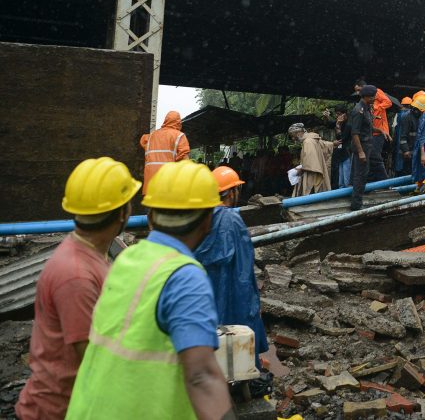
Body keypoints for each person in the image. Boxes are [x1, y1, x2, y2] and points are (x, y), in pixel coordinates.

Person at [66, 161, 233, 419]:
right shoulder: (185, 277)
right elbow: (201, 376)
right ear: (207, 221)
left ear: (151, 216)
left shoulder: (127, 259)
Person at [16, 158, 139, 420]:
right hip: (57, 411)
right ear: (121, 212)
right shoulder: (76, 275)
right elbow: (95, 359)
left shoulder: (91, 256)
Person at [193, 167, 271, 395]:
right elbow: (244, 266)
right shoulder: (233, 220)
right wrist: (254, 302)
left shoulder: (201, 218)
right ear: (231, 192)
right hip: (235, 290)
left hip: (209, 292)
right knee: (240, 332)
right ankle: (242, 382)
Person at [140, 110, 191, 194]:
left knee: (150, 206)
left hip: (150, 183)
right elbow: (185, 161)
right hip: (167, 183)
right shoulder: (179, 136)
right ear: (178, 122)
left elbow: (143, 141)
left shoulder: (151, 136)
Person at [354, 79, 392, 182]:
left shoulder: (375, 92)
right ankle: (371, 183)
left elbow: (388, 102)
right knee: (370, 158)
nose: (358, 93)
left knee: (375, 157)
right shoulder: (363, 105)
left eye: (358, 90)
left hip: (379, 131)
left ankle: (385, 183)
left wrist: (376, 107)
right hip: (371, 131)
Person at [348, 85, 376, 211]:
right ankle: (356, 205)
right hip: (362, 147)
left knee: (361, 174)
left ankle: (356, 200)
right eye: (372, 96)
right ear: (366, 97)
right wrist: (360, 152)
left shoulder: (367, 109)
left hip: (367, 145)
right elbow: (355, 133)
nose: (374, 98)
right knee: (360, 175)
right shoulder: (358, 110)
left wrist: (380, 130)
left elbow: (368, 128)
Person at [288, 123, 332, 196]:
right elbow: (325, 145)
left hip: (312, 173)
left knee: (312, 193)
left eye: (293, 136)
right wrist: (333, 143)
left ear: (298, 133)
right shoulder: (312, 139)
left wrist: (300, 169)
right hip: (313, 170)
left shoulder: (308, 142)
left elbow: (311, 162)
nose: (293, 138)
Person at [331, 108, 352, 189]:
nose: (337, 116)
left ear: (345, 114)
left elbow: (341, 139)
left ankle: (347, 192)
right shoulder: (340, 123)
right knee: (340, 178)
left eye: (339, 114)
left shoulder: (348, 125)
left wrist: (338, 127)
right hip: (340, 152)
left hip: (347, 152)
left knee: (346, 177)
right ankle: (341, 190)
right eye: (336, 114)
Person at [391, 97, 413, 177]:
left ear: (402, 104)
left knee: (398, 163)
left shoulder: (398, 115)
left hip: (398, 142)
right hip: (409, 143)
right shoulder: (412, 115)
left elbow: (393, 129)